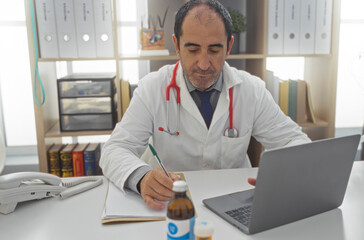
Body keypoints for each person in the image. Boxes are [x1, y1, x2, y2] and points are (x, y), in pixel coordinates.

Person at [100, 0, 311, 210]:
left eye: (214, 50)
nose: (203, 64)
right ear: (176, 45)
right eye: (192, 50)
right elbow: (115, 149)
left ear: (229, 46)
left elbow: (295, 141)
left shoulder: (251, 90)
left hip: (233, 202)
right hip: (169, 204)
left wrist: (280, 175)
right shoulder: (152, 88)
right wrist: (142, 177)